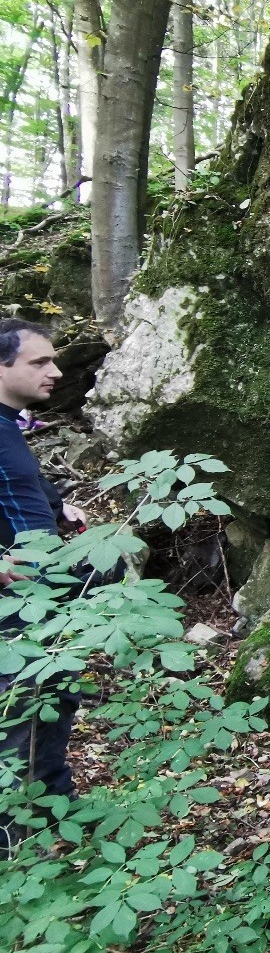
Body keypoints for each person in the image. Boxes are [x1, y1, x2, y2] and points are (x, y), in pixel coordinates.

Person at [0, 320, 80, 816]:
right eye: (39, 362)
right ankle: (11, 838)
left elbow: (14, 482)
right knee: (17, 712)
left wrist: (57, 507)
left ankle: (54, 811)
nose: (55, 371)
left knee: (57, 695)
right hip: (12, 605)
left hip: (46, 594)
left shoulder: (8, 424)